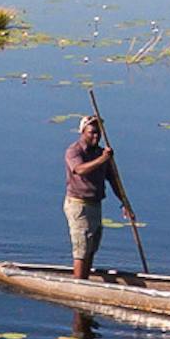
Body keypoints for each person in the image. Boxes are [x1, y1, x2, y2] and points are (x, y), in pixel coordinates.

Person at [64, 113, 135, 281]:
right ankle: (79, 286)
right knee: (82, 248)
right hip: (79, 205)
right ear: (83, 132)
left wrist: (125, 203)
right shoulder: (74, 151)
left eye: (98, 132)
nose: (96, 136)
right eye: (92, 132)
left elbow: (113, 180)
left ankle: (85, 280)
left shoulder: (103, 153)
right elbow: (80, 169)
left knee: (91, 247)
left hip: (95, 205)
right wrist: (103, 159)